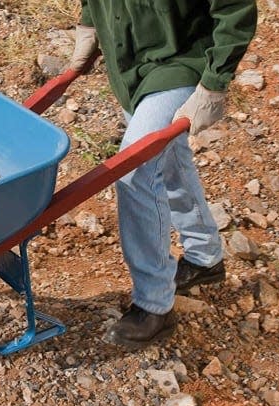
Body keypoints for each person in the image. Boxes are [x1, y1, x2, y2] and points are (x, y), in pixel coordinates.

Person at [69, 1, 257, 349]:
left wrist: (214, 83)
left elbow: (235, 8)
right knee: (168, 160)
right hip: (128, 68)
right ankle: (205, 257)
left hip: (180, 64)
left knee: (135, 169)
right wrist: (90, 24)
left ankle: (155, 306)